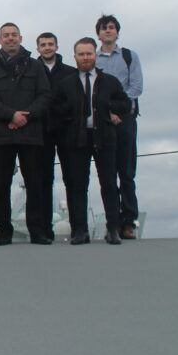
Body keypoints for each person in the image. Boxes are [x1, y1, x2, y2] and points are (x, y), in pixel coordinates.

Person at [56, 38, 131, 244]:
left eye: (89, 53)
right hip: (77, 138)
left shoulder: (110, 81)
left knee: (108, 184)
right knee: (78, 185)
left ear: (95, 55)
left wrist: (109, 107)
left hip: (104, 137)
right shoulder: (66, 84)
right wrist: (71, 114)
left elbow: (125, 104)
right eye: (81, 54)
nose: (85, 57)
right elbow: (56, 109)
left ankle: (113, 228)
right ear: (75, 57)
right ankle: (80, 230)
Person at [0, 23, 52, 245]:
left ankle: (37, 230)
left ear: (21, 38)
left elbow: (45, 95)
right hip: (2, 134)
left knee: (34, 183)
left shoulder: (35, 66)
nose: (10, 39)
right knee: (2, 185)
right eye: (6, 35)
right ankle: (4, 231)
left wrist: (25, 117)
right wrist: (11, 116)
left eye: (14, 35)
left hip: (30, 132)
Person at [96, 14, 143, 239]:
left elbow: (136, 87)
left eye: (112, 28)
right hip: (103, 121)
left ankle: (128, 221)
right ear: (98, 33)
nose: (108, 31)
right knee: (107, 174)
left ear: (117, 32)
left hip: (125, 119)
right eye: (104, 28)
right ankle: (112, 222)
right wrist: (107, 111)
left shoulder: (129, 56)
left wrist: (119, 109)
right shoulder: (93, 58)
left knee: (126, 172)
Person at [36, 32, 77, 240]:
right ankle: (44, 228)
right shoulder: (32, 70)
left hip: (65, 130)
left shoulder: (71, 72)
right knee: (43, 180)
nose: (47, 47)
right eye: (43, 45)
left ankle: (78, 227)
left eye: (50, 44)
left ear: (57, 46)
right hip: (41, 131)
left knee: (72, 178)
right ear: (38, 48)